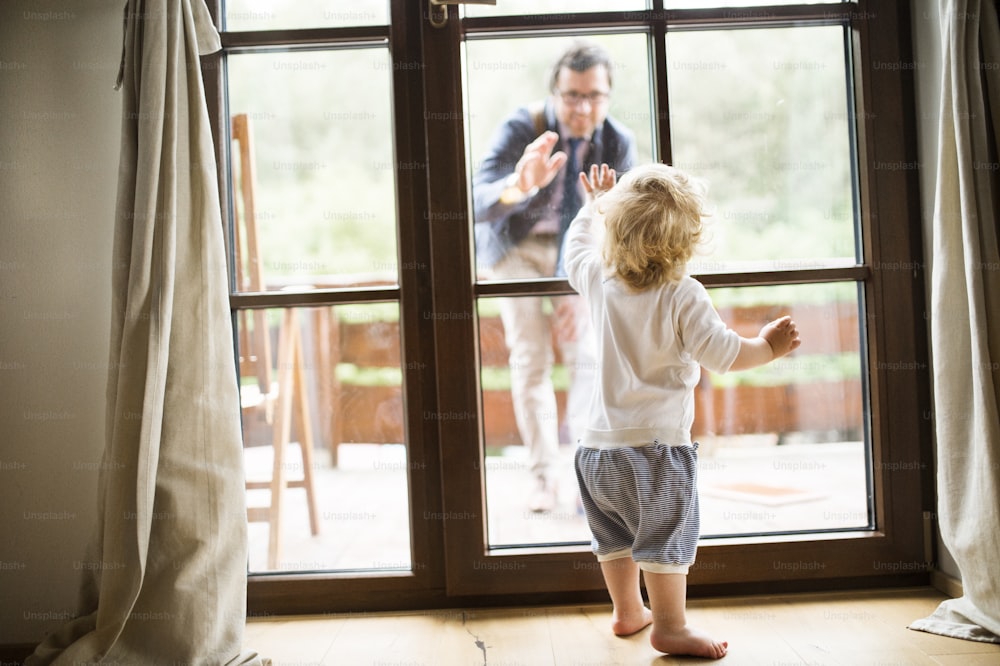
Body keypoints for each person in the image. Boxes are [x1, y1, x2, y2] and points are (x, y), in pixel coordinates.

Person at [564, 162, 801, 658]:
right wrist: (769, 346)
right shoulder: (682, 293)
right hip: (657, 452)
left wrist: (591, 206)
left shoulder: (598, 280)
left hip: (596, 450)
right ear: (686, 239)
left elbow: (574, 250)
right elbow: (725, 354)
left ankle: (627, 610)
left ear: (615, 228)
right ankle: (669, 625)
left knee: (614, 535)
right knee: (666, 538)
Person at [472, 40, 637, 512]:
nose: (583, 108)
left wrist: (578, 288)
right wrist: (519, 186)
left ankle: (588, 475)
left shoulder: (617, 142)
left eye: (594, 96)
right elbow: (478, 202)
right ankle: (543, 478)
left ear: (607, 96)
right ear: (554, 93)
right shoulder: (523, 126)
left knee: (587, 355)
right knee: (531, 359)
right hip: (515, 250)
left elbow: (621, 223)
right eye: (571, 96)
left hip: (580, 253)